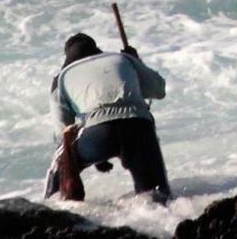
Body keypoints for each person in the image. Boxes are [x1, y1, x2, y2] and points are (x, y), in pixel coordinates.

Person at [45, 33, 171, 203]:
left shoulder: (62, 77)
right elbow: (159, 90)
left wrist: (98, 151)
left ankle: (52, 208)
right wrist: (137, 61)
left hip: (98, 135)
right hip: (139, 129)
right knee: (157, 197)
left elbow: (63, 133)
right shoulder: (123, 59)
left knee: (61, 159)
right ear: (96, 50)